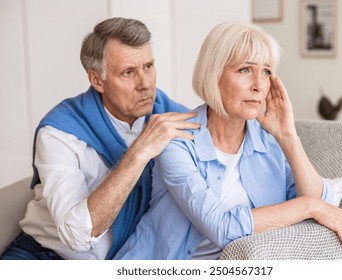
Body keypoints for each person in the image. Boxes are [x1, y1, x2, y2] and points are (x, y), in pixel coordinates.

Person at [114, 21, 342, 260]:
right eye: (245, 70)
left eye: (266, 72)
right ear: (214, 75)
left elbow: (325, 208)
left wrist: (288, 137)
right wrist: (309, 206)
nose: (258, 85)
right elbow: (221, 227)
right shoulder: (177, 140)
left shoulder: (267, 143)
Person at [0, 17, 199, 260]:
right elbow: (77, 236)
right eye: (128, 73)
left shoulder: (171, 116)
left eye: (148, 66)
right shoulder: (59, 133)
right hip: (46, 255)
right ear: (97, 80)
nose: (146, 84)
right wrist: (140, 152)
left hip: (127, 259)